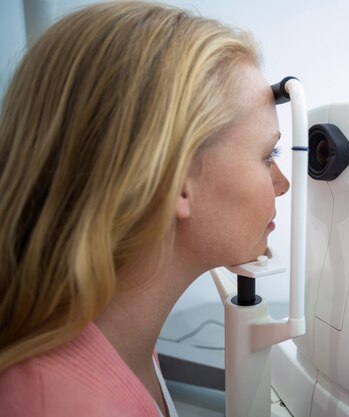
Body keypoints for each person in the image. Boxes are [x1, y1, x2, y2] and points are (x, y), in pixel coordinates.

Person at [0, 2, 289, 416]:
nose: (282, 183)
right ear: (174, 178)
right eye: (267, 154)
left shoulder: (119, 339)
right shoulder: (57, 405)